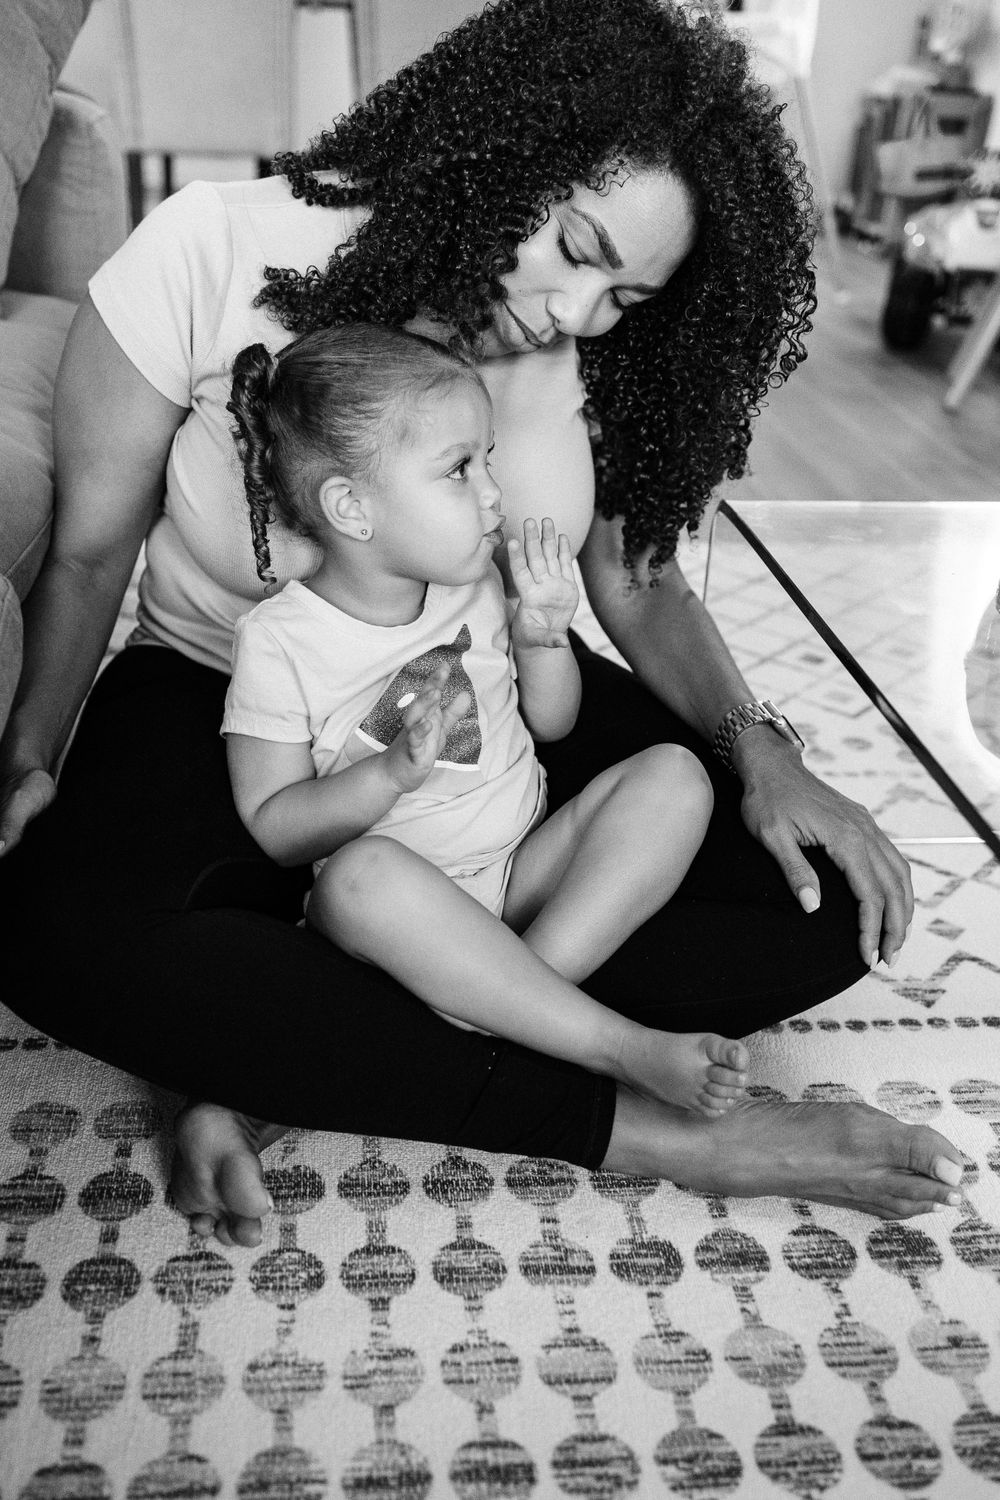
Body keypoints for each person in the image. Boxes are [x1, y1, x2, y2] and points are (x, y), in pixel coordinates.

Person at [0, 0, 964, 1248]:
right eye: (575, 247)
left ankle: (344, 1020)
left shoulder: (594, 349)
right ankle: (656, 1130)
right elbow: (88, 553)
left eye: (623, 294)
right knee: (47, 930)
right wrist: (29, 754)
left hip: (489, 692)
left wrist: (763, 752)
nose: (577, 311)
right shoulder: (212, 246)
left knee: (822, 901)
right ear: (497, 151)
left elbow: (638, 582)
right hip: (220, 693)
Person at [224, 322, 746, 1115]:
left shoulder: (471, 587)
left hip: (523, 871)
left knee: (676, 776)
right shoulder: (280, 642)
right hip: (404, 915)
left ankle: (495, 1006)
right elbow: (275, 828)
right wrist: (387, 776)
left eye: (488, 460)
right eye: (459, 469)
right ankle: (611, 1042)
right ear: (352, 508)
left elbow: (553, 725)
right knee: (359, 879)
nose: (494, 492)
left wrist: (544, 641)